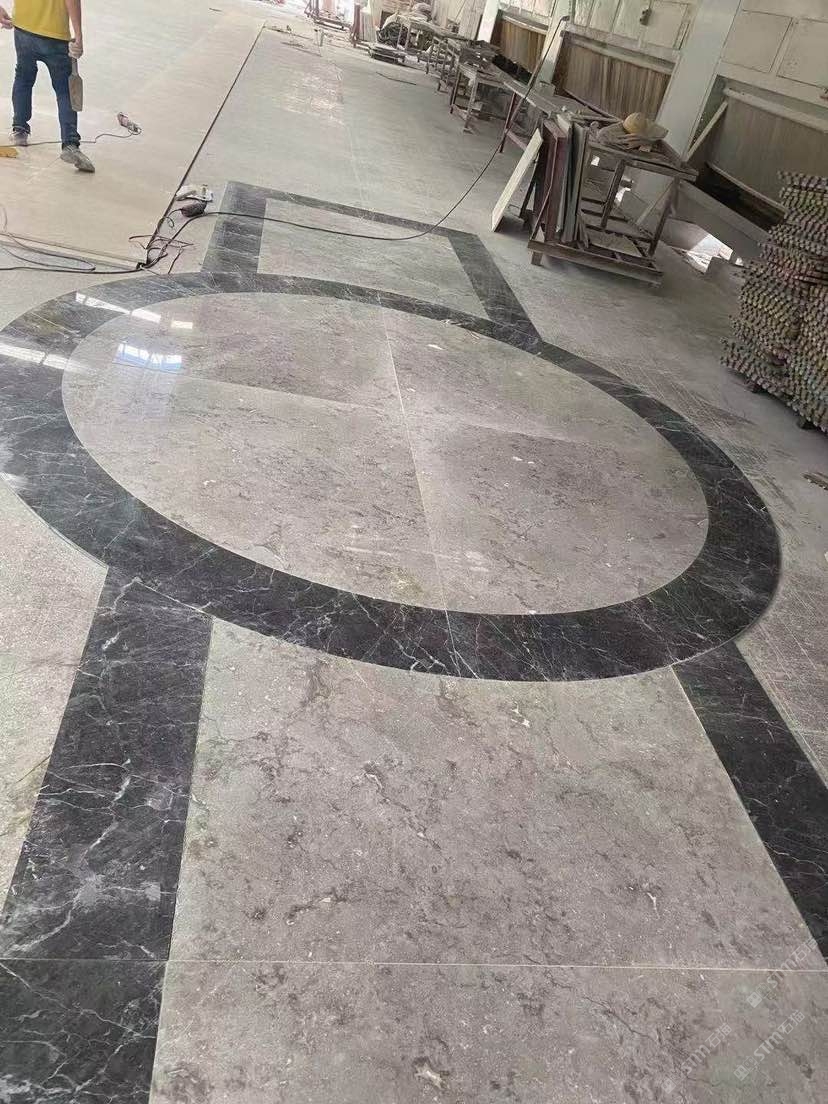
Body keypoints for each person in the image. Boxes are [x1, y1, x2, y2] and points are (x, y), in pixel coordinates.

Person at [0, 0, 94, 172]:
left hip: (23, 27)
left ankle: (19, 129)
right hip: (54, 34)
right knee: (64, 89)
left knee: (23, 77)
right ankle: (70, 143)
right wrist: (79, 35)